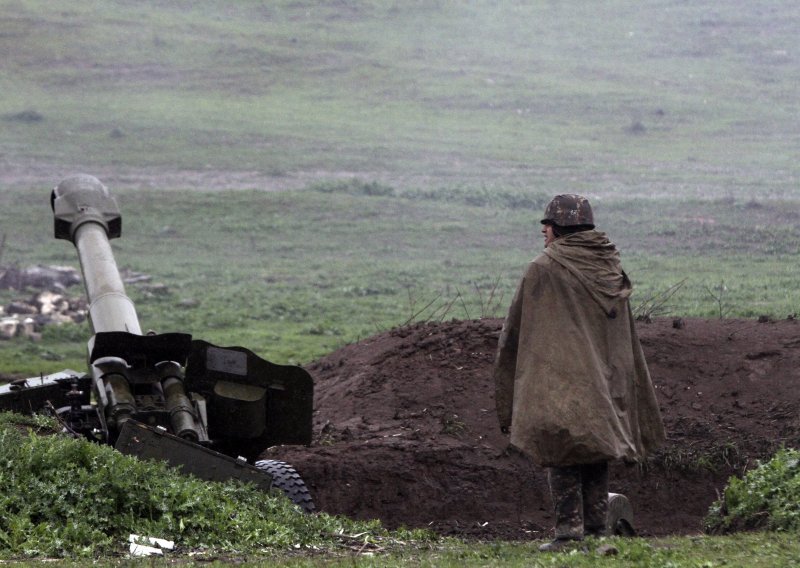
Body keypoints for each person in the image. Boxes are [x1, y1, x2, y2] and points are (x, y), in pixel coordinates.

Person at [493, 194, 665, 552]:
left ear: (558, 228)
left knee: (562, 450)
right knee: (595, 449)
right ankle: (597, 532)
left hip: (561, 379)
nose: (543, 230)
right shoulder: (609, 267)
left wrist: (509, 382)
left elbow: (517, 330)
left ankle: (568, 535)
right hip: (604, 380)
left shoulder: (543, 268)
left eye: (547, 224)